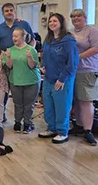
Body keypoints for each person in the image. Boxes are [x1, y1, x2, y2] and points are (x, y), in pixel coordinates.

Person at [38, 13, 79, 144]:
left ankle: (62, 132)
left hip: (63, 80)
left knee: (62, 106)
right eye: (50, 21)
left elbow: (72, 63)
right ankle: (52, 128)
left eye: (55, 21)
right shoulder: (48, 40)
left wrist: (62, 79)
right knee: (48, 105)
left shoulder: (68, 40)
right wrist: (43, 66)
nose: (52, 23)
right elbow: (44, 57)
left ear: (61, 23)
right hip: (49, 79)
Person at [69, 9, 97, 146]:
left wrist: (77, 57)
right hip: (71, 70)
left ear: (85, 17)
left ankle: (88, 131)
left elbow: (96, 48)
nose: (76, 18)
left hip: (87, 69)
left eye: (78, 15)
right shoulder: (69, 32)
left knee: (86, 100)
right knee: (75, 100)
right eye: (73, 16)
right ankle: (78, 125)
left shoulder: (91, 31)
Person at [4, 28, 41, 133]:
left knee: (28, 104)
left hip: (31, 81)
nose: (14, 38)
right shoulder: (10, 50)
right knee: (18, 103)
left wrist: (29, 57)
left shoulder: (31, 50)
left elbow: (32, 66)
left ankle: (27, 123)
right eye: (13, 36)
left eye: (16, 36)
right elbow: (9, 66)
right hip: (15, 80)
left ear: (23, 37)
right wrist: (8, 57)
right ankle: (17, 122)